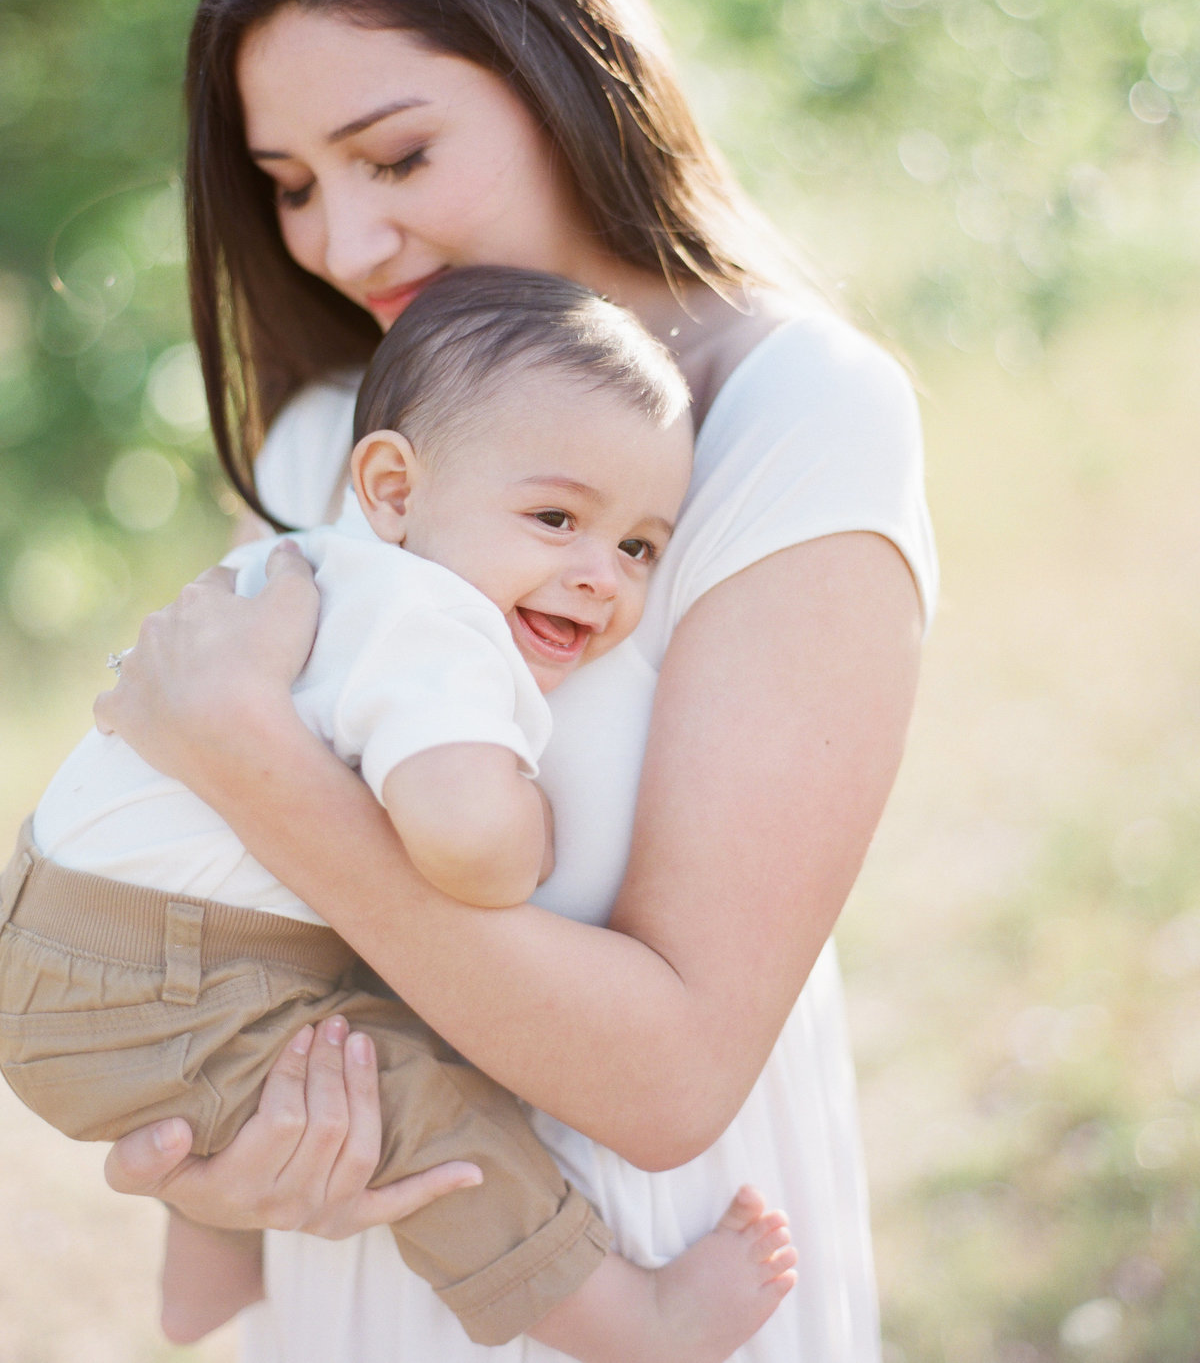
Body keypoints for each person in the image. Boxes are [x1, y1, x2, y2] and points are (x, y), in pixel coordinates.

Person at [94, 0, 937, 1362]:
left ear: (560, 69)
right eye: (286, 182)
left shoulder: (795, 414)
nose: (343, 236)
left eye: (397, 152)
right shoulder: (334, 434)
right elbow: (234, 909)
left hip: (661, 1257)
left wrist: (260, 771)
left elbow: (673, 1073)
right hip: (367, 1275)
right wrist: (218, 1168)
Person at [2, 269, 799, 1360]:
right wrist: (531, 820)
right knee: (418, 1105)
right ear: (392, 490)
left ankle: (209, 1256)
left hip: (69, 931)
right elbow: (471, 846)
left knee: (306, 1052)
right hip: (161, 970)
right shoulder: (428, 617)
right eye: (555, 517)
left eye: (637, 547)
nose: (598, 576)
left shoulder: (317, 574)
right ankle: (634, 1320)